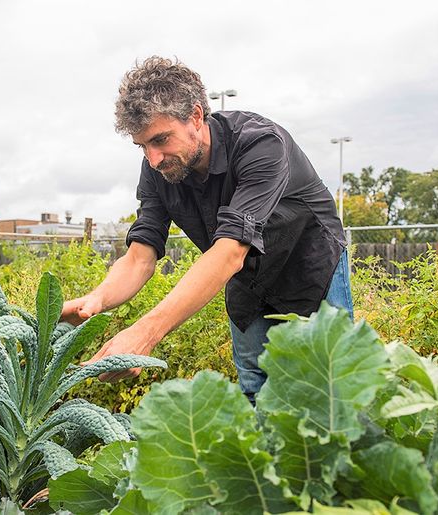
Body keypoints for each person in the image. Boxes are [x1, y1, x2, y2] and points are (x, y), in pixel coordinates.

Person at [61, 56, 353, 403]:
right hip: (249, 283)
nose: (153, 158)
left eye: (160, 139)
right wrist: (97, 299)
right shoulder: (158, 168)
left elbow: (229, 251)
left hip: (310, 271)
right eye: (143, 146)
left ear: (196, 117)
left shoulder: (261, 145)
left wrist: (145, 332)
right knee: (257, 391)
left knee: (330, 394)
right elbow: (140, 257)